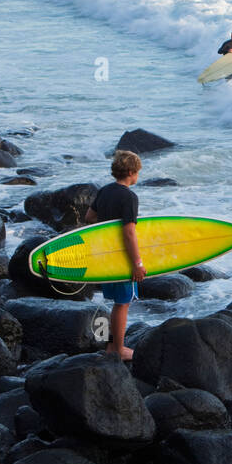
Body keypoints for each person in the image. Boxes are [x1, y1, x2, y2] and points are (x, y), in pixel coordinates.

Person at [83, 150, 146, 360]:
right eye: (137, 172)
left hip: (106, 255)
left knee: (117, 302)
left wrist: (106, 234)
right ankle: (118, 349)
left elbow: (89, 217)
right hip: (121, 257)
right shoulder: (129, 196)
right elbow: (129, 232)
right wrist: (137, 263)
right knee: (122, 303)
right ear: (130, 172)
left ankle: (111, 347)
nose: (138, 176)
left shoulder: (105, 191)